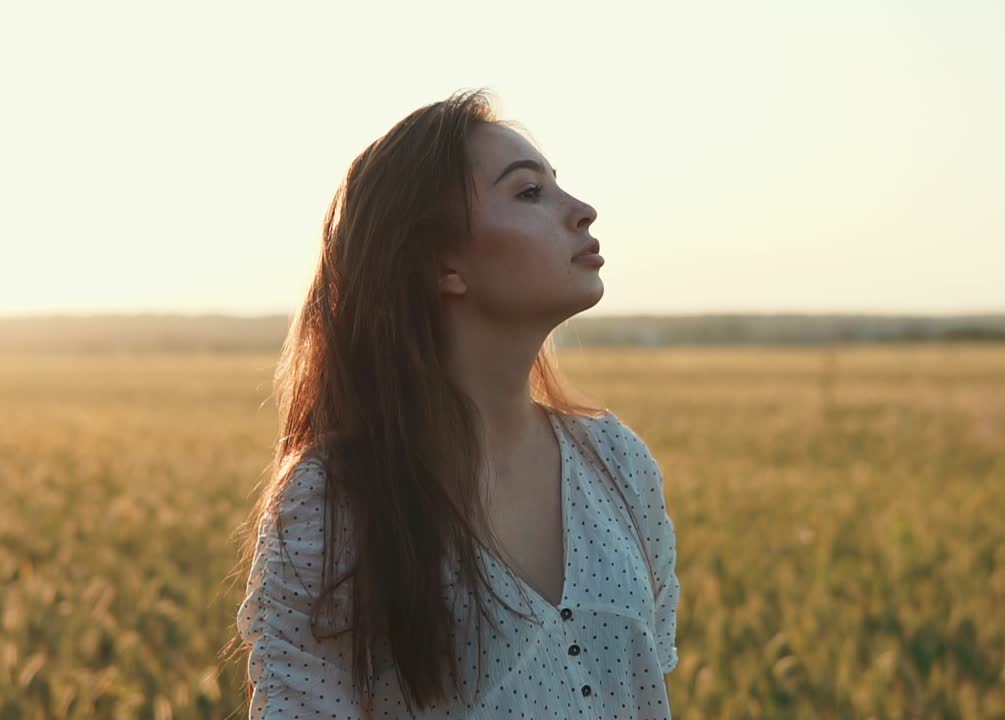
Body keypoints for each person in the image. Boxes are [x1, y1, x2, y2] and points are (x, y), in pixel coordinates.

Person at [230, 88, 680, 719]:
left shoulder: (617, 463)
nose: (582, 211)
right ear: (442, 264)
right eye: (529, 193)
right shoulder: (331, 504)